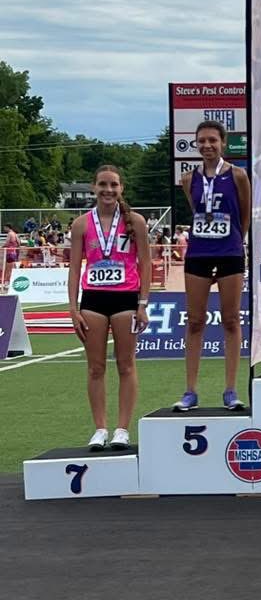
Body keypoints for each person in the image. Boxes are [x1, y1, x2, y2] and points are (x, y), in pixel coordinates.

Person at [67, 166, 151, 450]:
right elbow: (74, 267)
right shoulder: (80, 224)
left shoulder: (136, 221)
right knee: (95, 368)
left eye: (113, 185)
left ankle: (122, 429)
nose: (108, 190)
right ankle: (100, 428)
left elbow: (146, 264)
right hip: (93, 300)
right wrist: (73, 308)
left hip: (126, 299)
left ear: (121, 188)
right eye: (102, 184)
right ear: (94, 187)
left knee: (126, 365)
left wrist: (143, 303)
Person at [172, 120, 251, 411]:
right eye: (202, 141)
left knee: (231, 320)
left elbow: (243, 215)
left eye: (212, 141)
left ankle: (230, 390)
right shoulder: (188, 179)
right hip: (198, 254)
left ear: (223, 144)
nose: (207, 146)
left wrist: (235, 241)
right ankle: (190, 391)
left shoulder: (238, 175)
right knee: (195, 321)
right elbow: (197, 212)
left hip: (230, 252)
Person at [3, 223, 20, 288]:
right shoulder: (15, 234)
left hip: (10, 253)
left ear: (8, 227)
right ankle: (8, 282)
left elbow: (7, 243)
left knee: (8, 269)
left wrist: (2, 246)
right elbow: (19, 243)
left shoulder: (10, 234)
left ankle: (7, 283)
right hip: (14, 253)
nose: (4, 229)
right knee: (11, 268)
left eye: (5, 228)